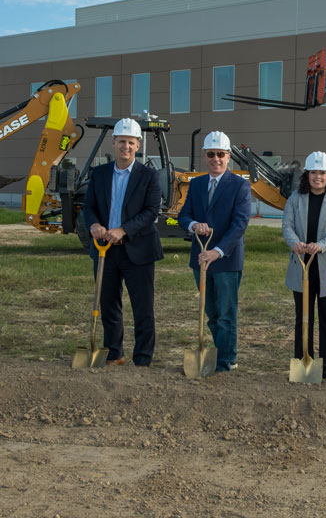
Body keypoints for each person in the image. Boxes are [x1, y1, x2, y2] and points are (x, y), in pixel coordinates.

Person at [82, 118, 163, 366]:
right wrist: (94, 225)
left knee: (142, 308)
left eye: (130, 142)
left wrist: (123, 230)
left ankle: (142, 358)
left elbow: (150, 213)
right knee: (108, 305)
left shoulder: (149, 176)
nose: (125, 146)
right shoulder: (99, 174)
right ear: (114, 143)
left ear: (137, 145)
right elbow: (89, 207)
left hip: (138, 250)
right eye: (121, 142)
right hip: (106, 251)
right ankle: (114, 353)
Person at [178, 131, 252, 372]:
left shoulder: (240, 185)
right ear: (205, 156)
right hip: (200, 258)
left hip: (226, 260)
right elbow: (184, 215)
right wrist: (193, 225)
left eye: (221, 154)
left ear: (228, 157)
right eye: (211, 154)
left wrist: (217, 251)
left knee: (226, 315)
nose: (216, 159)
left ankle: (226, 360)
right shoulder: (197, 183)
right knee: (210, 312)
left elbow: (239, 224)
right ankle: (222, 352)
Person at [282, 151, 326, 379]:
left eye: (322, 172)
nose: (318, 177)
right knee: (303, 317)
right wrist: (295, 243)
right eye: (313, 173)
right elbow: (287, 226)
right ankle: (303, 363)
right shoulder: (294, 199)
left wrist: (320, 245)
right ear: (307, 175)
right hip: (301, 265)